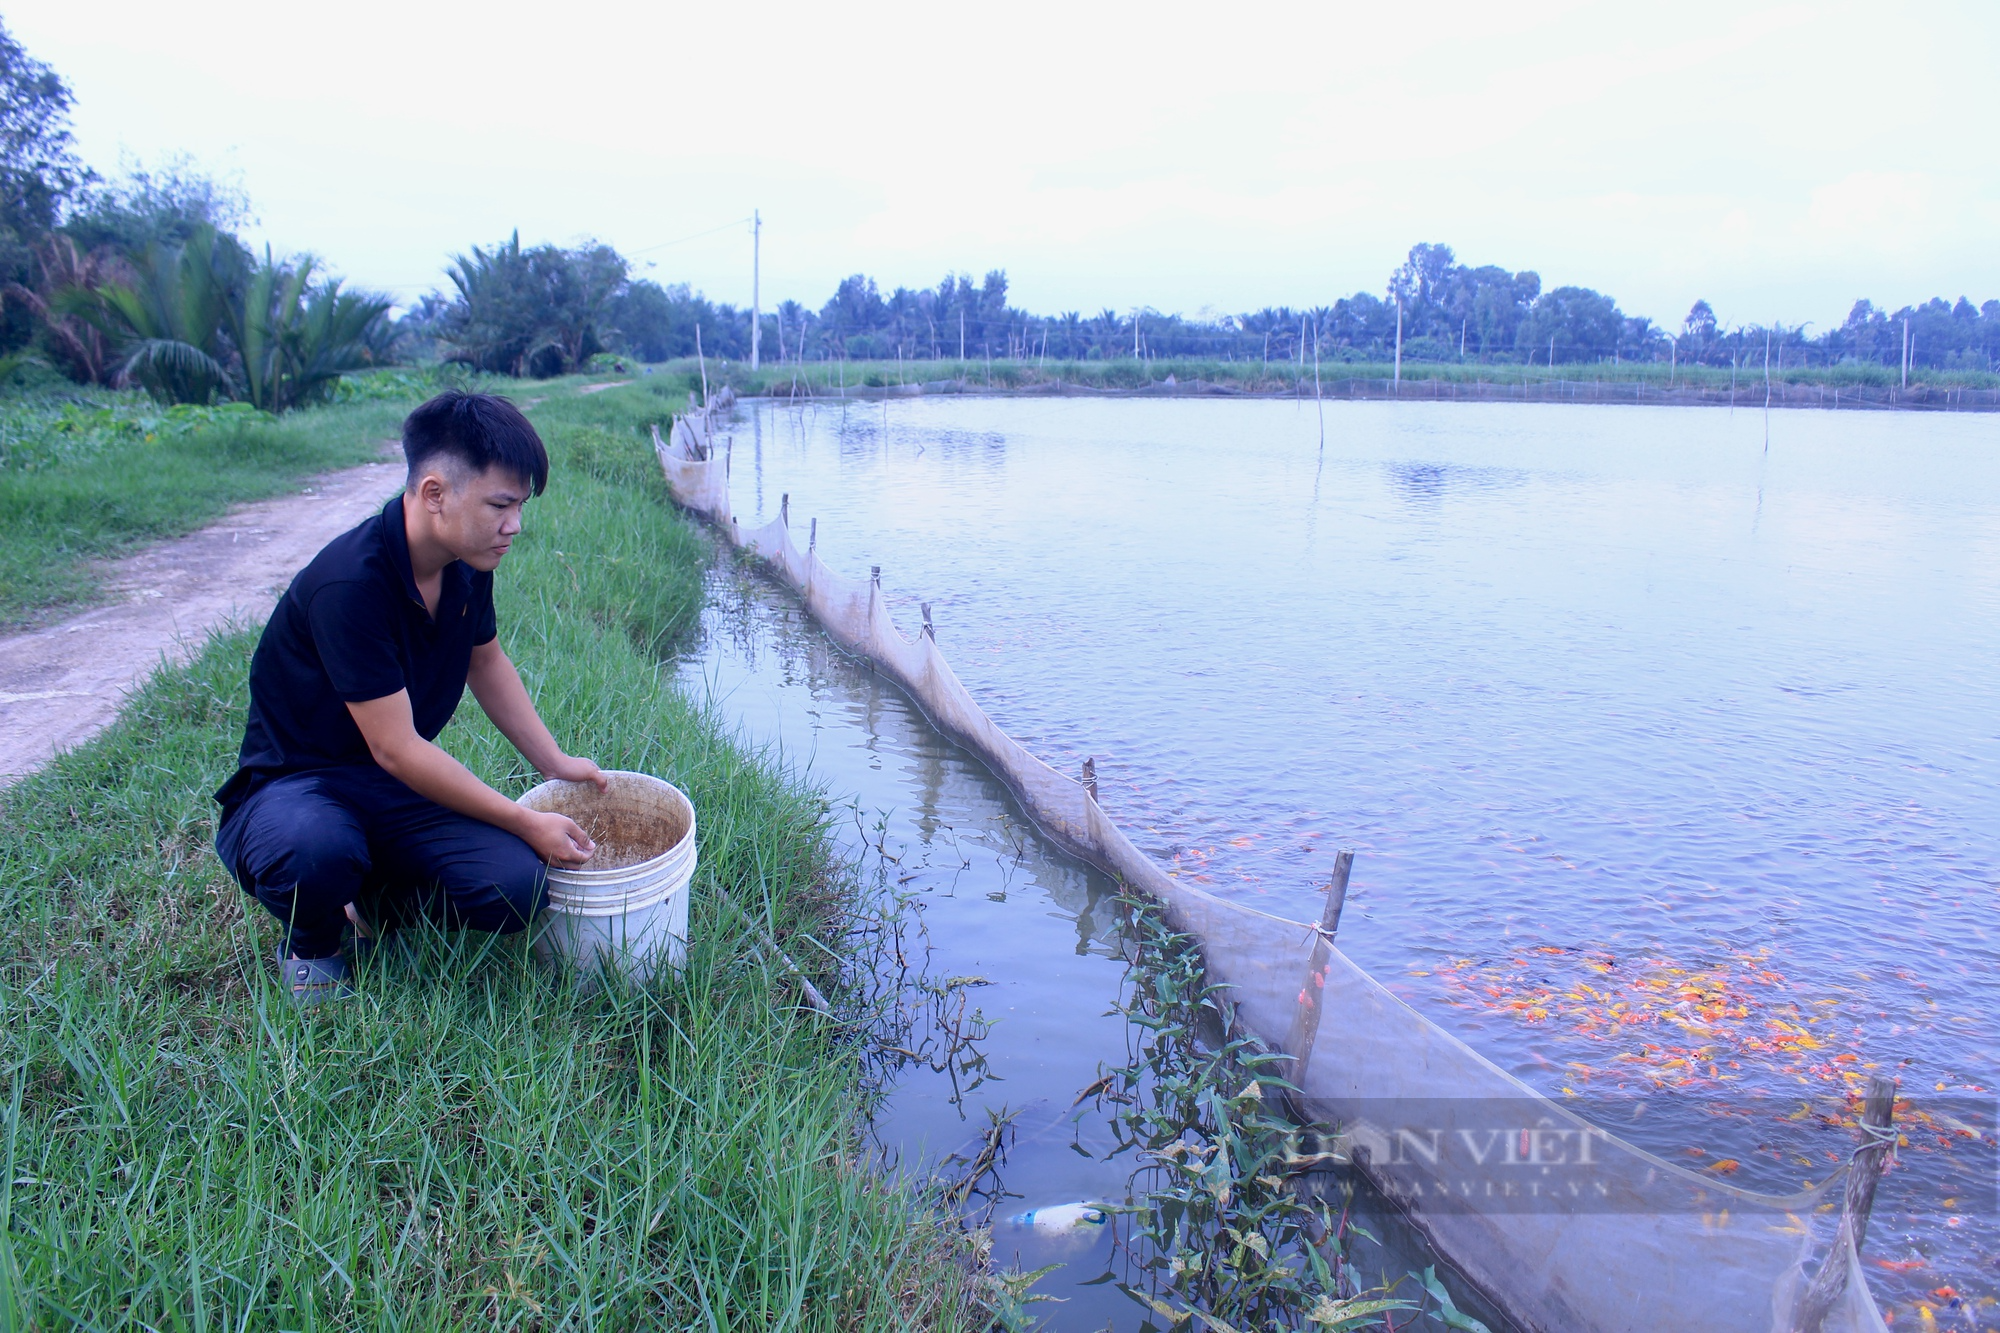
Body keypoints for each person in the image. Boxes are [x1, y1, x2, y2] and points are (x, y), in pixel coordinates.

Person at [214, 391, 605, 1004]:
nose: (515, 526)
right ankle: (312, 944)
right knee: (314, 851)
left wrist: (553, 762)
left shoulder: (468, 563)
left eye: (520, 506)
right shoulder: (350, 584)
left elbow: (487, 661)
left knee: (517, 885)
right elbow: (396, 748)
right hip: (297, 786)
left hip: (390, 790)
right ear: (434, 493)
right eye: (500, 505)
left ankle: (372, 900)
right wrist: (525, 819)